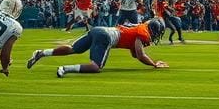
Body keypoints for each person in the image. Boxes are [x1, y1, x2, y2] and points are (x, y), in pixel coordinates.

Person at [25, 18, 167, 76]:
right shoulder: (142, 32)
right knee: (95, 67)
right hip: (106, 37)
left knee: (72, 48)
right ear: (154, 30)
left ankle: (41, 53)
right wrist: (154, 64)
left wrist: (144, 56)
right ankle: (65, 69)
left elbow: (135, 54)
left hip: (98, 30)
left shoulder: (140, 28)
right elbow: (140, 55)